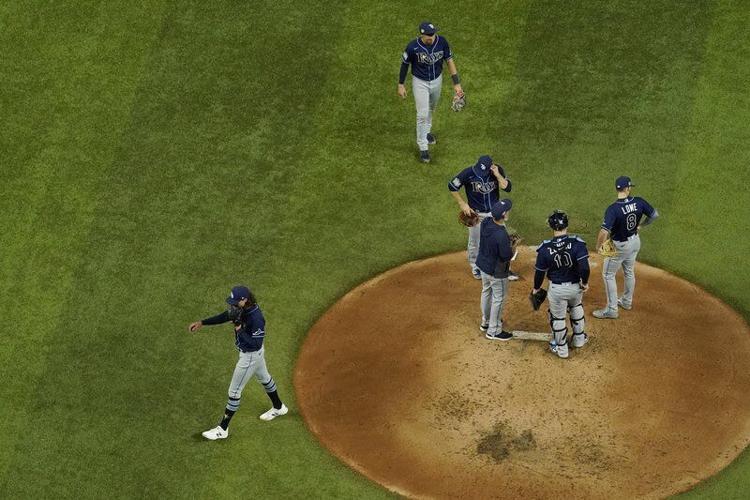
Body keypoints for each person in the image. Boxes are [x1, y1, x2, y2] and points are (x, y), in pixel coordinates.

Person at [188, 285, 288, 440]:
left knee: (234, 392)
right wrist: (202, 322)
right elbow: (226, 316)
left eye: (235, 302)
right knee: (264, 378)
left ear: (245, 300)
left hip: (250, 356)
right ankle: (279, 407)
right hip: (255, 354)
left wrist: (239, 328)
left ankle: (222, 429)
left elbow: (255, 344)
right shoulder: (241, 308)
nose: (232, 305)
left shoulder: (256, 318)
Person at [593, 176, 659, 319]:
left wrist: (599, 247)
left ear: (617, 189)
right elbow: (654, 215)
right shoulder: (639, 201)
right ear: (628, 188)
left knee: (608, 275)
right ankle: (627, 301)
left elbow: (604, 231)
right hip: (635, 242)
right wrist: (642, 225)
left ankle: (612, 309)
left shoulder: (613, 209)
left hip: (620, 246)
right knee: (629, 271)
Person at [398, 21, 463, 163]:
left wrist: (456, 83)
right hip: (420, 82)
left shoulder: (442, 42)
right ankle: (423, 147)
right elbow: (404, 65)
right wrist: (401, 84)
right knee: (422, 114)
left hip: (437, 80)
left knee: (431, 109)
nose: (431, 37)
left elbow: (449, 61)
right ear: (421, 34)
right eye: (428, 35)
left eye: (433, 34)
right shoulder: (412, 47)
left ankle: (426, 133)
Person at [533, 210, 591, 359]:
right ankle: (579, 340)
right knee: (576, 308)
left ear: (551, 227)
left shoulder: (545, 248)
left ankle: (562, 349)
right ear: (566, 225)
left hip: (557, 289)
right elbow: (584, 267)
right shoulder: (578, 243)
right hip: (575, 287)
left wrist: (536, 288)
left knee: (558, 318)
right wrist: (584, 283)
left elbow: (539, 272)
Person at [449, 155, 516, 280]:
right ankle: (476, 268)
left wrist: (497, 175)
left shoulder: (497, 170)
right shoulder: (468, 173)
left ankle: (504, 269)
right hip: (476, 214)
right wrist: (462, 203)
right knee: (475, 242)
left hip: (495, 213)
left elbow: (507, 187)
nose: (483, 173)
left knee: (501, 241)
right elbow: (452, 186)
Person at [476, 199, 515, 341]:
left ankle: (485, 322)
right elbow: (506, 256)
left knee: (486, 292)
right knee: (499, 298)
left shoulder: (486, 223)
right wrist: (513, 247)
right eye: (508, 211)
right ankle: (494, 330)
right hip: (496, 271)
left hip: (483, 266)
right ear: (504, 214)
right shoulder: (501, 234)